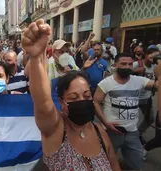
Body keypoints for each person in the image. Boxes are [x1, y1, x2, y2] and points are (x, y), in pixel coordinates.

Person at [22, 19, 120, 171]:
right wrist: (36, 57)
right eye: (74, 98)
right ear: (62, 102)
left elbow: (114, 165)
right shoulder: (56, 130)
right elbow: (43, 102)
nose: (82, 101)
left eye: (87, 96)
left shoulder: (99, 131)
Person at [94, 53, 158, 170]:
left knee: (137, 162)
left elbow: (157, 86)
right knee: (105, 162)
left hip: (132, 132)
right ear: (116, 65)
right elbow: (95, 102)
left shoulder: (139, 81)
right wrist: (105, 123)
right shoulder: (106, 83)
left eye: (130, 64)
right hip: (112, 131)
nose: (127, 66)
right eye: (123, 64)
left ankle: (120, 165)